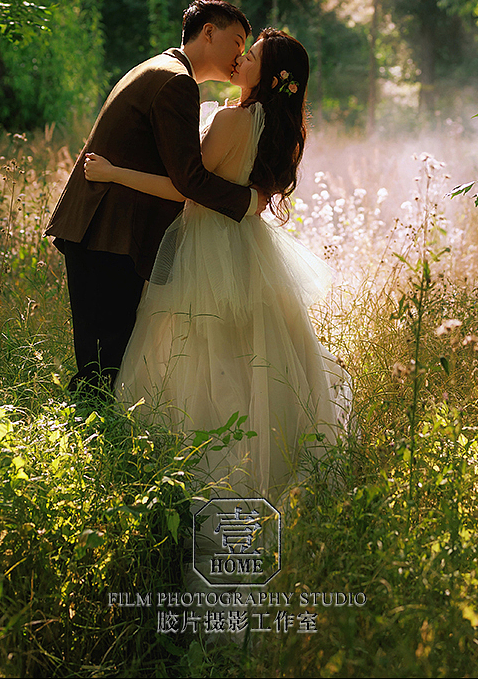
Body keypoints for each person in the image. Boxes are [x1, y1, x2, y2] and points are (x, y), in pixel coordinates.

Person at [84, 28, 348, 500]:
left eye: (252, 56)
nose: (240, 59)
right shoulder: (273, 128)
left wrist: (113, 173)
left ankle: (190, 461)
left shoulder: (232, 120)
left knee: (188, 343)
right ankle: (269, 455)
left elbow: (186, 188)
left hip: (207, 240)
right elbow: (249, 195)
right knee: (250, 352)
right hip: (247, 244)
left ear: (266, 75)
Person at [45, 0, 265, 393]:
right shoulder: (175, 81)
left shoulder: (160, 68)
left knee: (104, 360)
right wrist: (248, 202)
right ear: (208, 32)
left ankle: (92, 439)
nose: (239, 56)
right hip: (108, 232)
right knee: (103, 366)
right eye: (235, 42)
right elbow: (189, 178)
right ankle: (88, 442)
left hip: (103, 229)